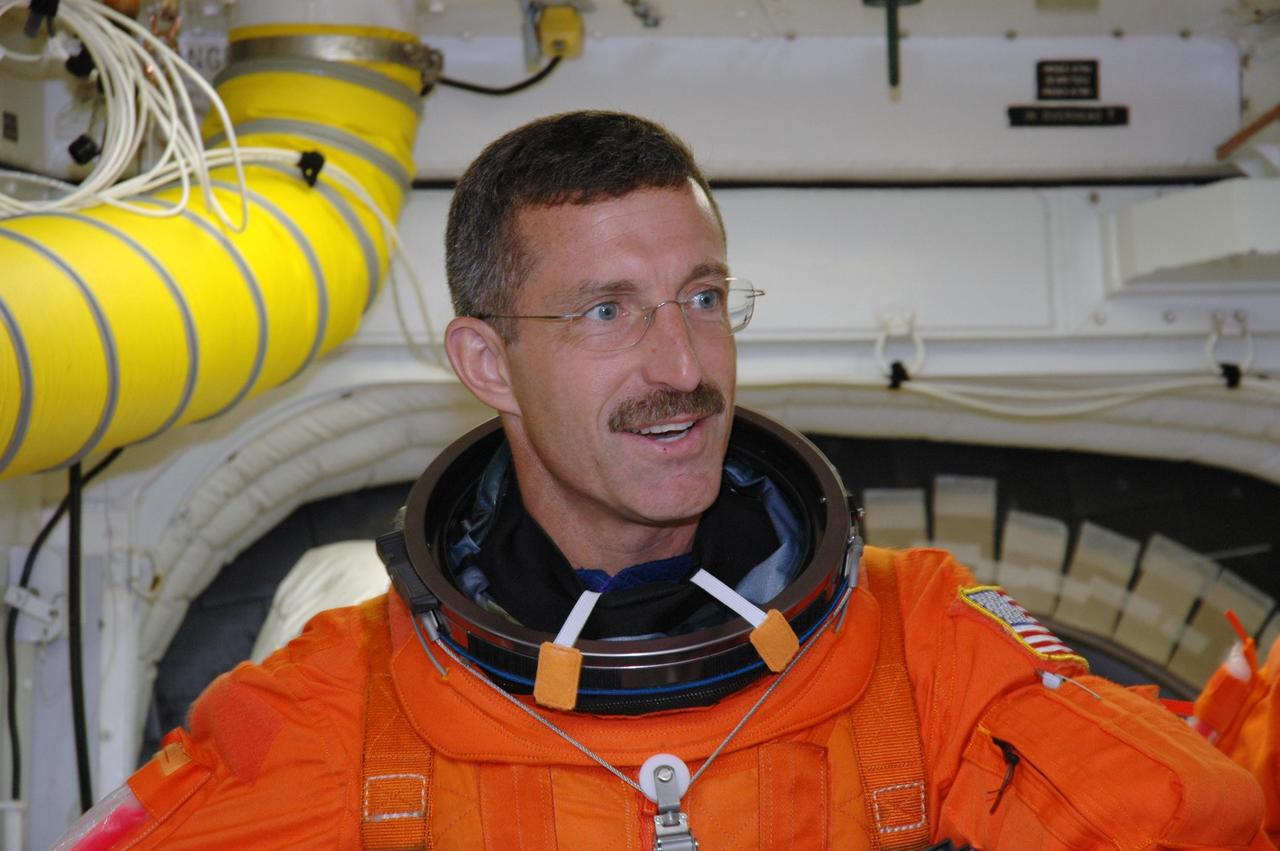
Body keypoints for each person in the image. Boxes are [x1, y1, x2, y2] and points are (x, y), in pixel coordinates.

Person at [57, 111, 1271, 850]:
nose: (681, 366)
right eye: (606, 311)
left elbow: (1184, 820)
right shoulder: (345, 704)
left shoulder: (920, 641)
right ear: (487, 360)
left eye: (702, 297)